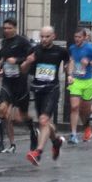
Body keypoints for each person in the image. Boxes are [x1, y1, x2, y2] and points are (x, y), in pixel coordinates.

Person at [22, 26, 69, 166]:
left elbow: (68, 62)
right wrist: (28, 61)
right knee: (45, 123)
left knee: (43, 120)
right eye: (42, 36)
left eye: (47, 37)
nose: (44, 39)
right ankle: (56, 141)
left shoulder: (60, 51)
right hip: (38, 90)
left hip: (52, 90)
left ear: (53, 36)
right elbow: (23, 69)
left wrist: (70, 73)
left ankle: (38, 152)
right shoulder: (34, 50)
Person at [0, 18, 35, 153]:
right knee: (2, 110)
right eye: (4, 28)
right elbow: (1, 60)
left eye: (9, 28)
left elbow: (32, 58)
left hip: (21, 83)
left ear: (15, 28)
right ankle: (3, 143)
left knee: (20, 116)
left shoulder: (23, 42)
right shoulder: (4, 43)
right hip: (7, 82)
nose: (6, 31)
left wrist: (17, 60)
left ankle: (33, 129)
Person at [67, 28, 92, 144]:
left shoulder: (90, 48)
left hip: (88, 81)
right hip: (76, 81)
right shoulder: (72, 48)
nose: (77, 39)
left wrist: (90, 63)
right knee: (74, 107)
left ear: (84, 38)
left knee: (84, 110)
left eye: (79, 37)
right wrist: (69, 74)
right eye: (75, 37)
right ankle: (73, 135)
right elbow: (72, 61)